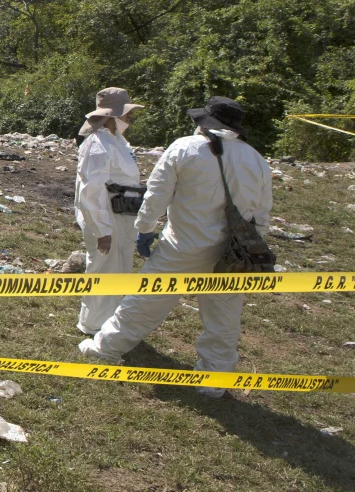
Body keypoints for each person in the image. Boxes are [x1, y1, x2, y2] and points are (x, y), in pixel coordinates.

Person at [79, 96, 273, 398]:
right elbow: (261, 215)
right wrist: (247, 250)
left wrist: (144, 228)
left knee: (144, 304)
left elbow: (156, 196)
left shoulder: (184, 148)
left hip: (183, 246)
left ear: (203, 122)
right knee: (224, 316)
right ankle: (215, 379)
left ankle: (105, 349)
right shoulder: (256, 160)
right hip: (230, 254)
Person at [74, 87, 144, 336]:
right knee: (104, 269)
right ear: (111, 115)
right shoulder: (99, 145)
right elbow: (91, 192)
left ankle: (109, 324)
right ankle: (93, 325)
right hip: (107, 218)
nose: (129, 117)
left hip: (122, 215)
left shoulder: (117, 141)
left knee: (119, 269)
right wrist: (102, 229)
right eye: (125, 112)